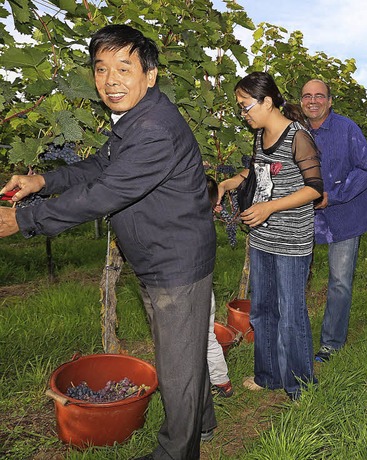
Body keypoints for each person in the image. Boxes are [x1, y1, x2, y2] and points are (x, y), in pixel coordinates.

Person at [0, 24, 216, 459]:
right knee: (184, 354)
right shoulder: (134, 120)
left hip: (174, 263)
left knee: (176, 368)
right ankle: (203, 424)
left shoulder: (153, 127)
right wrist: (43, 180)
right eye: (101, 69)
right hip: (160, 256)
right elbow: (101, 165)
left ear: (150, 74)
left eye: (123, 67)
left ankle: (178, 453)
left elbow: (104, 193)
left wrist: (24, 220)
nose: (110, 80)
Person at [216, 72, 323, 401]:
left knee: (291, 314)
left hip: (291, 242)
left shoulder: (297, 137)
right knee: (262, 310)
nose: (243, 113)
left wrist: (271, 207)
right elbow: (257, 169)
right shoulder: (260, 135)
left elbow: (314, 189)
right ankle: (268, 376)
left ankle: (301, 386)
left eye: (245, 106)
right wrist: (229, 182)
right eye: (239, 108)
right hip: (262, 239)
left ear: (267, 101)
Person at [300, 79, 367, 362]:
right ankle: (298, 338)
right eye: (307, 96)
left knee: (340, 282)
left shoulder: (348, 129)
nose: (313, 101)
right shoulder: (294, 130)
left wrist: (333, 195)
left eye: (319, 96)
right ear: (300, 101)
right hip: (302, 215)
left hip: (344, 215)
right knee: (296, 279)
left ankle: (331, 344)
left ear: (329, 101)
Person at [206, 177, 233, 398]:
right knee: (207, 337)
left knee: (203, 338)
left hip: (194, 291)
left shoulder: (188, 224)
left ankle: (217, 380)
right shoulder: (206, 225)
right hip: (205, 290)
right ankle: (220, 380)